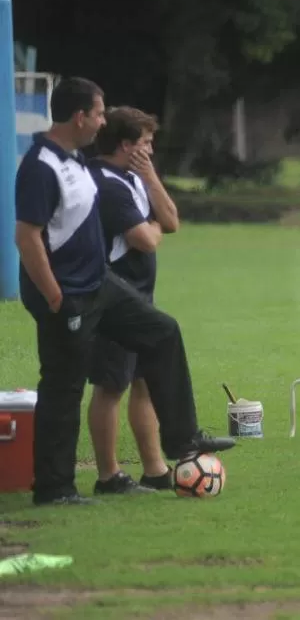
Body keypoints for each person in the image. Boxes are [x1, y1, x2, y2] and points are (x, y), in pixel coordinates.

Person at [14, 77, 235, 506]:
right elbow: (27, 237)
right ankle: (55, 488)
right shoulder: (40, 165)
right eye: (98, 113)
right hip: (68, 294)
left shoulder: (74, 161)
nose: (102, 121)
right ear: (80, 117)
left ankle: (183, 439)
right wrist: (54, 296)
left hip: (100, 284)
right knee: (65, 387)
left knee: (162, 332)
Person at [86, 106, 181, 494]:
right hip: (113, 299)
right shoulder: (105, 183)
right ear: (126, 145)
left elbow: (171, 222)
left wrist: (150, 177)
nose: (151, 150)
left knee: (143, 382)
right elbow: (145, 239)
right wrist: (153, 228)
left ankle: (155, 470)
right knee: (111, 386)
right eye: (145, 144)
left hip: (140, 297)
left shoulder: (134, 178)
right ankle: (109, 476)